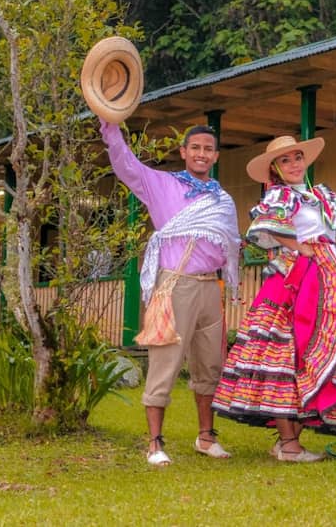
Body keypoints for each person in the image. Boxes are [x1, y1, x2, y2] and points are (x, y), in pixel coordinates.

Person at [212, 135, 336, 462]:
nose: (294, 164)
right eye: (286, 160)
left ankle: (290, 441)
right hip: (293, 279)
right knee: (284, 354)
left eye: (297, 157)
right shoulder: (279, 195)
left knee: (311, 352)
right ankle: (289, 443)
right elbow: (266, 226)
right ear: (275, 169)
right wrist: (299, 247)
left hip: (328, 279)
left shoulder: (321, 195)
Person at [100, 120, 241, 467]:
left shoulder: (223, 199)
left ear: (216, 156)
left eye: (208, 149)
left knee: (210, 364)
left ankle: (206, 437)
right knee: (166, 361)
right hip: (176, 284)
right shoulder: (162, 184)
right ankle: (154, 443)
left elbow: (231, 242)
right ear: (184, 152)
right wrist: (110, 128)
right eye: (195, 148)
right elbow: (126, 165)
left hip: (211, 287)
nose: (201, 154)